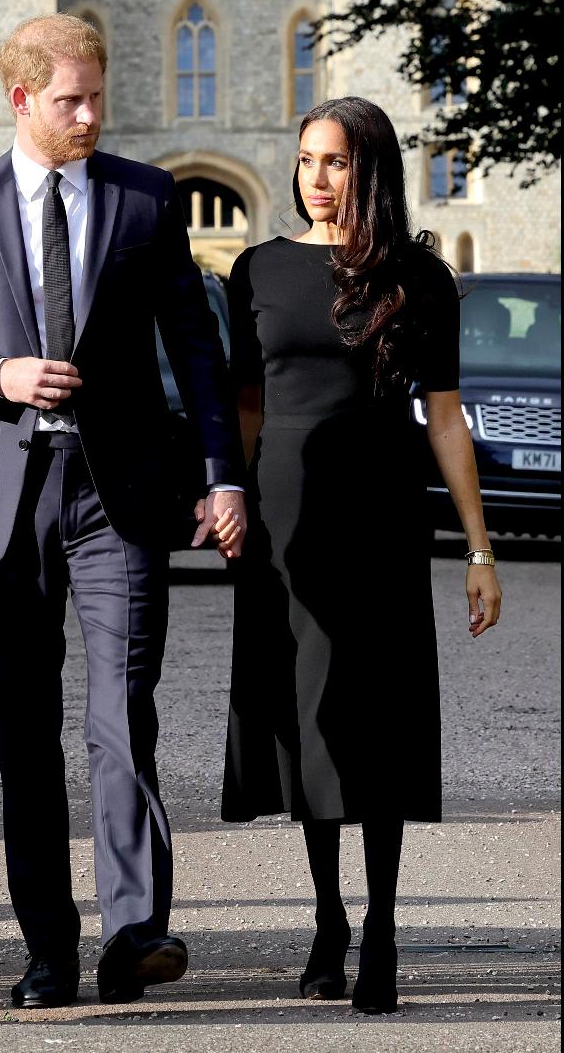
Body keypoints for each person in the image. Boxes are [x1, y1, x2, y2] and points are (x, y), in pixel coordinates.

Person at [0, 13, 246, 1009]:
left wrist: (223, 473)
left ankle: (135, 930)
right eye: (70, 100)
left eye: (97, 96)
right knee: (24, 731)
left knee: (123, 709)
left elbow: (197, 348)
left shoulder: (145, 197)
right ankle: (47, 948)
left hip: (118, 495)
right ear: (23, 99)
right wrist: (0, 372)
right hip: (7, 499)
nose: (90, 115)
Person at [221, 96, 503, 1015]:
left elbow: (447, 416)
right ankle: (329, 917)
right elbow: (248, 406)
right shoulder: (257, 269)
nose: (317, 177)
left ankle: (380, 925)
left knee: (377, 718)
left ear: (369, 169)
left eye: (336, 161)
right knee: (309, 720)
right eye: (307, 159)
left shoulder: (419, 279)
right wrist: (231, 495)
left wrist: (479, 547)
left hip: (383, 517)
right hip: (285, 521)